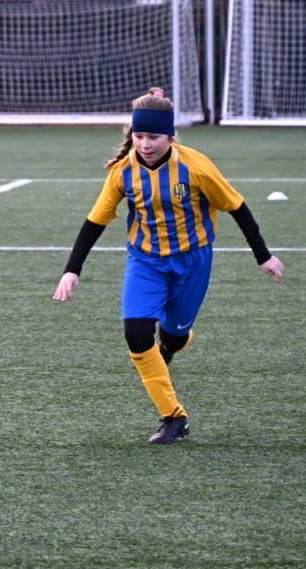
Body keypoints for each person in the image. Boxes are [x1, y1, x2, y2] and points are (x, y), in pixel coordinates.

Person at [52, 87, 284, 444]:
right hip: (144, 262)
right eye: (139, 136)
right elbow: (95, 221)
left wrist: (263, 255)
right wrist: (72, 269)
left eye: (154, 137)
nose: (145, 144)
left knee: (173, 337)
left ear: (171, 135)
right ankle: (174, 417)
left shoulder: (195, 166)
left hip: (193, 262)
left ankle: (173, 344)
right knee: (136, 335)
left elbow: (236, 206)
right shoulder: (123, 172)